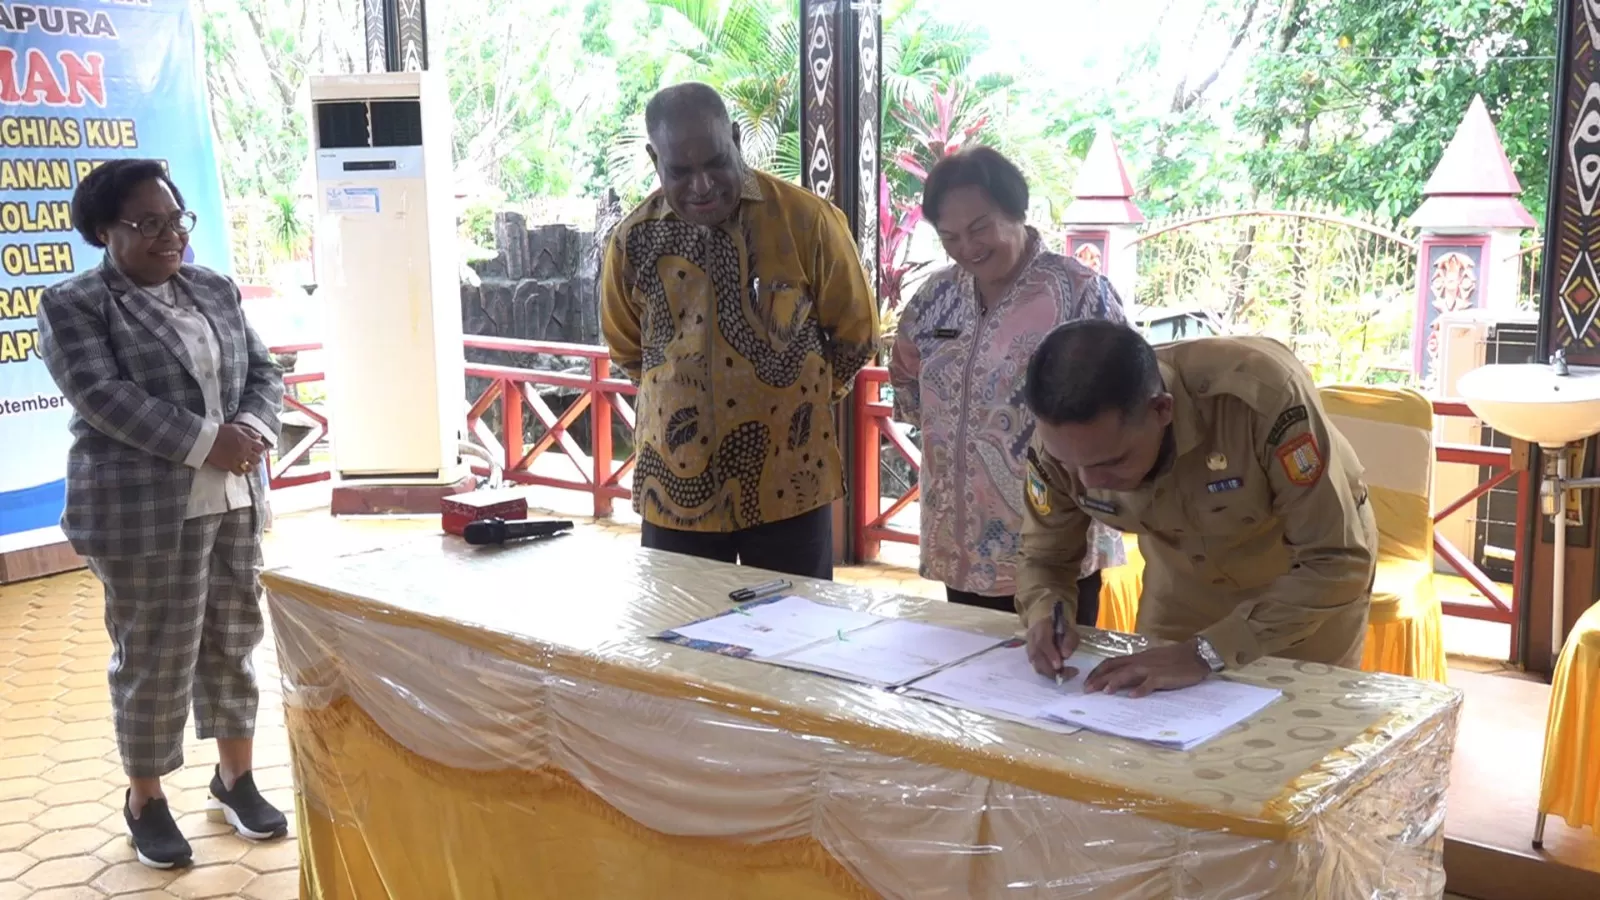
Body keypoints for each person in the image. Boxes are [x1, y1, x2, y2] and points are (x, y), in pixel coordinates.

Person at [37, 159, 288, 869]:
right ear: (102, 231)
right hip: (142, 513)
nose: (169, 235)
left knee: (233, 640)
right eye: (147, 223)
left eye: (177, 219)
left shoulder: (211, 286)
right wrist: (214, 442)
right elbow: (103, 397)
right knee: (154, 657)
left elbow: (264, 373)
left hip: (236, 499)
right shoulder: (75, 304)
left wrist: (254, 432)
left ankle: (234, 777)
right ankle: (145, 799)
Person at [600, 83, 879, 580]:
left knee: (793, 640)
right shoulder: (633, 239)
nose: (702, 186)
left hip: (789, 483)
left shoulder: (807, 221)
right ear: (653, 159)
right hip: (674, 492)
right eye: (681, 172)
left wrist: (794, 401)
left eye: (715, 162)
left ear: (735, 137)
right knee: (678, 645)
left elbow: (856, 336)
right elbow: (627, 347)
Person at [1016, 320, 1377, 695]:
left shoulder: (1262, 397)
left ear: (1161, 410)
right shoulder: (1064, 444)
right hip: (1181, 577)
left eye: (1112, 462)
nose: (1088, 481)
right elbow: (1045, 557)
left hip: (1298, 578)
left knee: (1297, 721)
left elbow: (1334, 560)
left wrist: (1205, 653)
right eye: (1070, 463)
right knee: (1150, 720)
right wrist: (1045, 611)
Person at [889, 146, 1125, 622]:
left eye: (980, 227)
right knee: (971, 680)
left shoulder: (1078, 292)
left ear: (1017, 210)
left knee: (1055, 681)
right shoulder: (933, 298)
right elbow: (909, 386)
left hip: (1056, 543)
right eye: (949, 236)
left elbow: (1123, 405)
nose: (967, 247)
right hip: (961, 544)